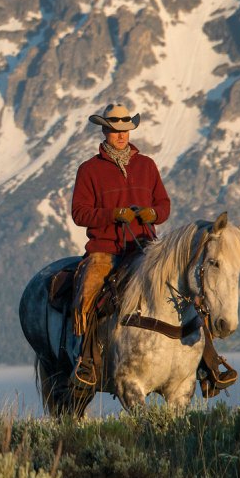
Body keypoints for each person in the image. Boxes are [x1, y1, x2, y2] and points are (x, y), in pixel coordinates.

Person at [68, 101, 171, 389]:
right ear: (104, 131)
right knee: (87, 295)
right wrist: (112, 215)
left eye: (125, 129)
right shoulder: (89, 170)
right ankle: (86, 361)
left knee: (185, 286)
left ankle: (208, 360)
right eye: (115, 130)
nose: (121, 135)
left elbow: (164, 204)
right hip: (105, 251)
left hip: (145, 248)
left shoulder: (147, 165)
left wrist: (153, 214)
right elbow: (80, 213)